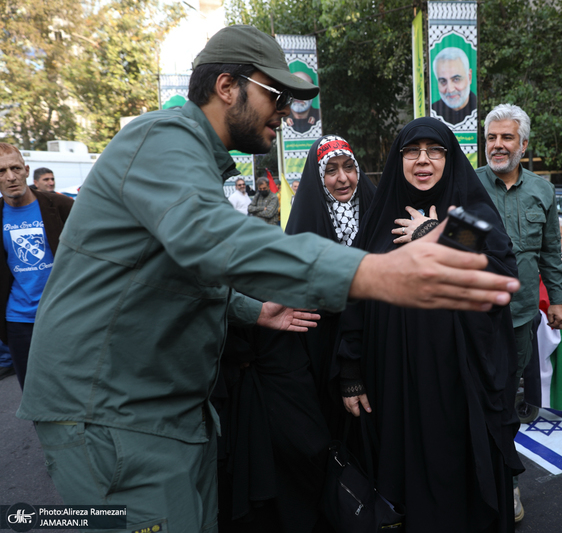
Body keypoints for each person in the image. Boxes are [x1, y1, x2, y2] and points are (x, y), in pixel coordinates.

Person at [16, 25, 519, 533]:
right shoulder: (161, 137)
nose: (286, 112)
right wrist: (374, 272)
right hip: (113, 414)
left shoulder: (199, 161)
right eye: (277, 95)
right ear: (228, 87)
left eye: (436, 152)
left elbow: (177, 270)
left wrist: (252, 309)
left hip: (165, 411)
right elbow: (206, 238)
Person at [337, 117, 523, 532]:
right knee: (402, 483)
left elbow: (500, 271)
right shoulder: (380, 216)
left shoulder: (469, 213)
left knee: (456, 483)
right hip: (394, 385)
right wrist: (350, 371)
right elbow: (356, 294)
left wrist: (436, 234)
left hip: (460, 384)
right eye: (412, 151)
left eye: (434, 151)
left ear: (449, 157)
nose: (423, 161)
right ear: (398, 159)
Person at [215, 135, 376, 532]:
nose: (343, 179)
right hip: (318, 357)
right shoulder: (299, 234)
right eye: (331, 171)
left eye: (349, 168)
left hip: (376, 350)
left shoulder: (379, 217)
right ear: (317, 180)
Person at [475, 104, 562, 523]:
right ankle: (473, 480)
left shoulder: (542, 191)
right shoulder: (468, 185)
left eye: (506, 137)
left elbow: (550, 252)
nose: (497, 145)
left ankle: (508, 483)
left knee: (509, 402)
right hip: (474, 317)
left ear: (524, 144)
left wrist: (560, 300)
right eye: (491, 137)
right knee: (475, 397)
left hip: (522, 317)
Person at [0, 144, 73, 390]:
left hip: (63, 313)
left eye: (15, 168)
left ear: (26, 170)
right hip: (19, 320)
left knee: (73, 389)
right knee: (35, 394)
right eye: (1, 171)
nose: (10, 177)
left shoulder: (59, 206)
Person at [431, 47, 477, 126]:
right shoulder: (432, 113)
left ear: (469, 77)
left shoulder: (480, 111)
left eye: (456, 79)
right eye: (443, 81)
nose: (450, 89)